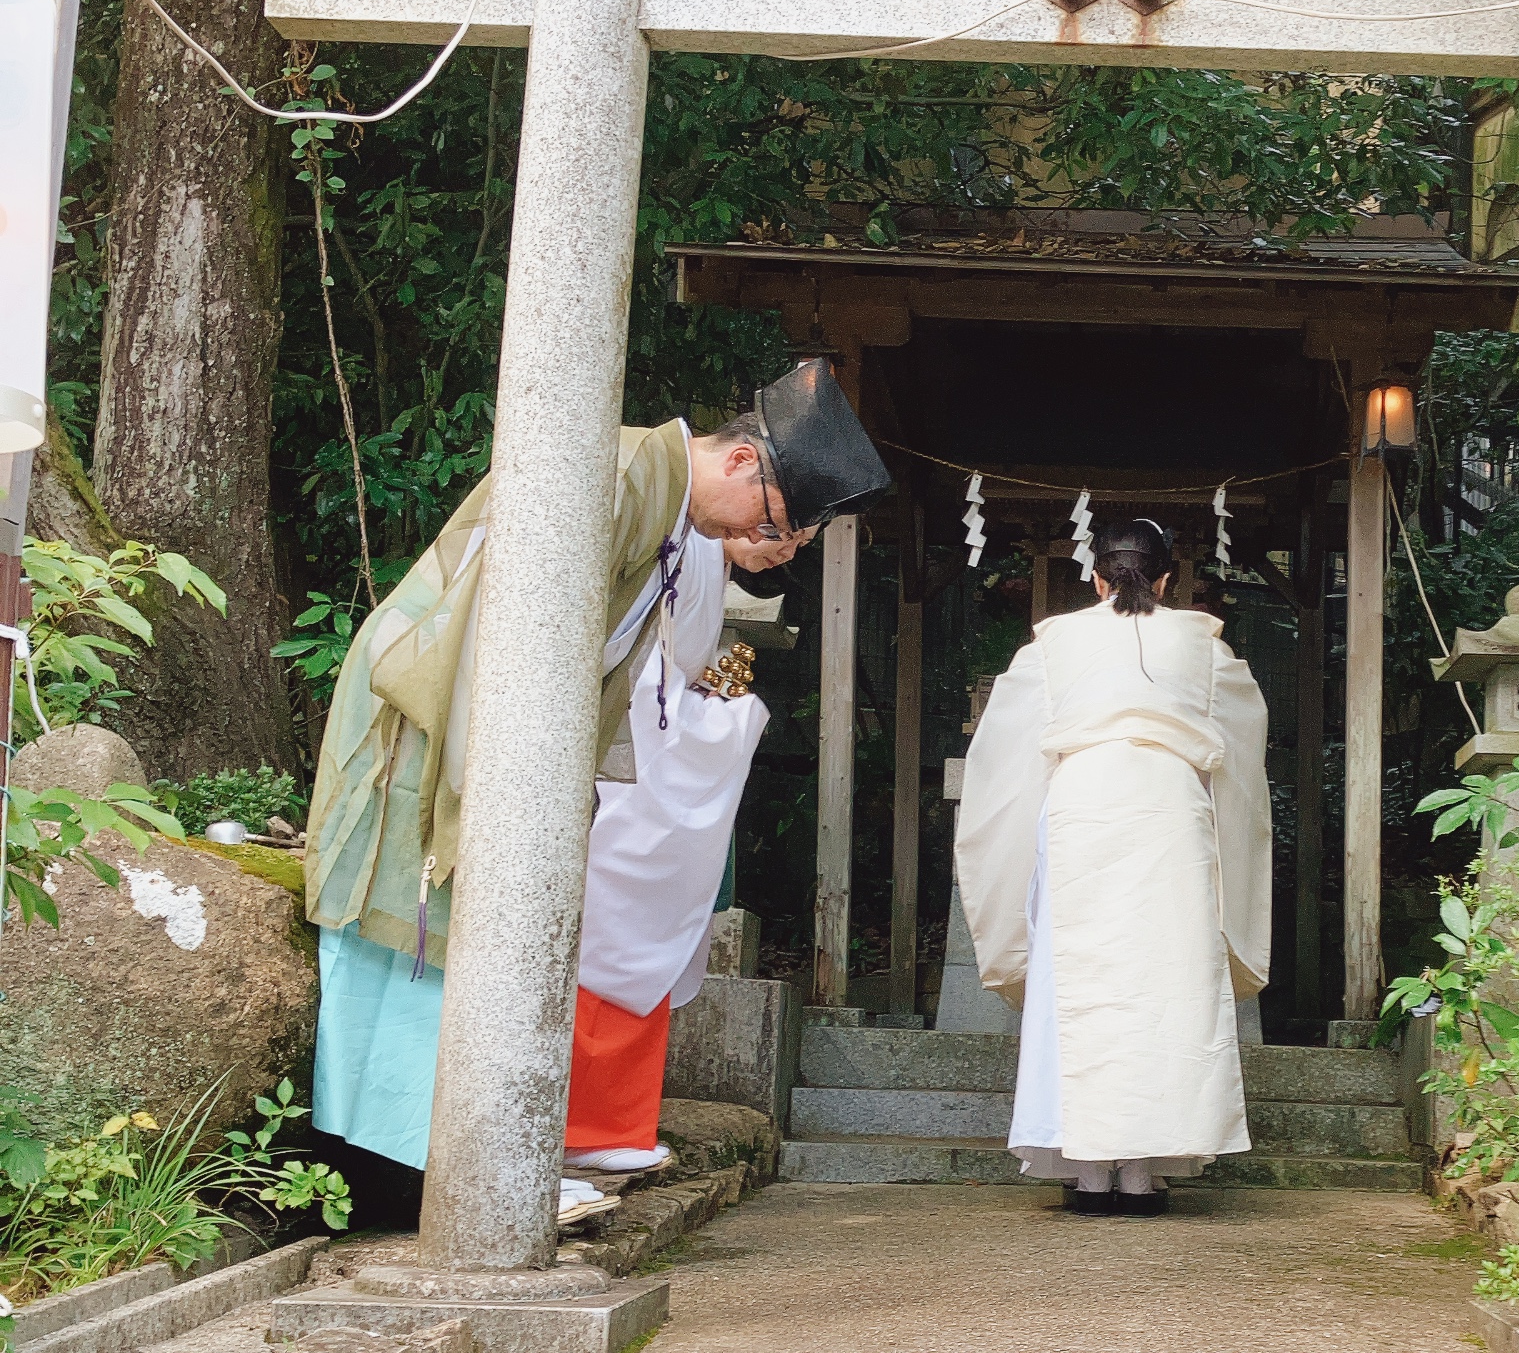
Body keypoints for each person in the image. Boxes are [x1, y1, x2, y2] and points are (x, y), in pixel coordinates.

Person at [305, 356, 889, 1203]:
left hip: (514, 724)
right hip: (439, 702)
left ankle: (467, 1165)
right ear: (739, 461)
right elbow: (507, 626)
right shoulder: (611, 472)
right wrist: (508, 775)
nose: (760, 540)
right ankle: (434, 1171)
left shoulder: (663, 498)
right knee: (422, 924)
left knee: (469, 937)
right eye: (771, 517)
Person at [955, 516, 1270, 1216]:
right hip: (1170, 813)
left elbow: (1008, 745)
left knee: (1081, 984)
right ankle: (1141, 1172)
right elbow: (1242, 738)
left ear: (1095, 579)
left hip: (1080, 809)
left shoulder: (1056, 642)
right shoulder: (1201, 643)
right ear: (1165, 580)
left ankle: (1089, 1172)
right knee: (1166, 986)